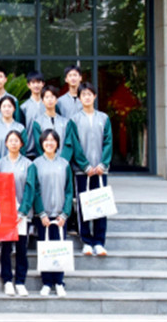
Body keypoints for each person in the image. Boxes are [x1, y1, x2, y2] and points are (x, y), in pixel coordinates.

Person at [63, 82, 112, 257]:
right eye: (83, 95)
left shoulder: (104, 118)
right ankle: (86, 241)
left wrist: (103, 164)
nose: (87, 97)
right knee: (83, 206)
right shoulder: (74, 120)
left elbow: (108, 142)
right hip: (82, 171)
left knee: (101, 206)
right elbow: (74, 144)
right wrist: (85, 165)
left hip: (100, 171)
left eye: (90, 94)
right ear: (80, 98)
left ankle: (99, 241)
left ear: (95, 96)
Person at [0, 130, 37, 297]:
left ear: (21, 144)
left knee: (21, 248)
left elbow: (30, 188)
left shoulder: (28, 165)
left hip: (22, 214)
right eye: (10, 140)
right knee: (5, 248)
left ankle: (20, 281)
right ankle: (7, 280)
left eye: (16, 140)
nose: (13, 143)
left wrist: (23, 210)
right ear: (6, 143)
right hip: (5, 213)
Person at [33, 129, 74, 298]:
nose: (49, 143)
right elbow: (35, 190)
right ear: (41, 143)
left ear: (57, 143)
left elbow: (69, 190)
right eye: (46, 140)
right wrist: (41, 213)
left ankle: (59, 282)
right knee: (45, 249)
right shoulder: (35, 164)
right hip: (43, 215)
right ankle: (46, 282)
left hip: (59, 216)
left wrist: (65, 214)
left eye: (52, 140)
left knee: (59, 249)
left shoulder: (64, 164)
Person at [0, 96, 27, 163]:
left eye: (9, 106)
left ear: (14, 108)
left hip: (17, 165)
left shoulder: (20, 128)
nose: (7, 109)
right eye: (4, 106)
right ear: (0, 109)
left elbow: (23, 149)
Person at [32, 85, 70, 158]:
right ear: (43, 101)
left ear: (56, 100)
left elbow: (68, 144)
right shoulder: (38, 123)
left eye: (52, 97)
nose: (50, 100)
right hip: (45, 162)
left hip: (63, 161)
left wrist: (63, 161)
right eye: (47, 97)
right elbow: (38, 145)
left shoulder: (66, 122)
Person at [21, 71, 47, 158]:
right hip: (29, 151)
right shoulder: (24, 107)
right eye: (33, 82)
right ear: (28, 85)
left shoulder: (48, 104)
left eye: (38, 82)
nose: (36, 85)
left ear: (43, 84)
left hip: (47, 149)